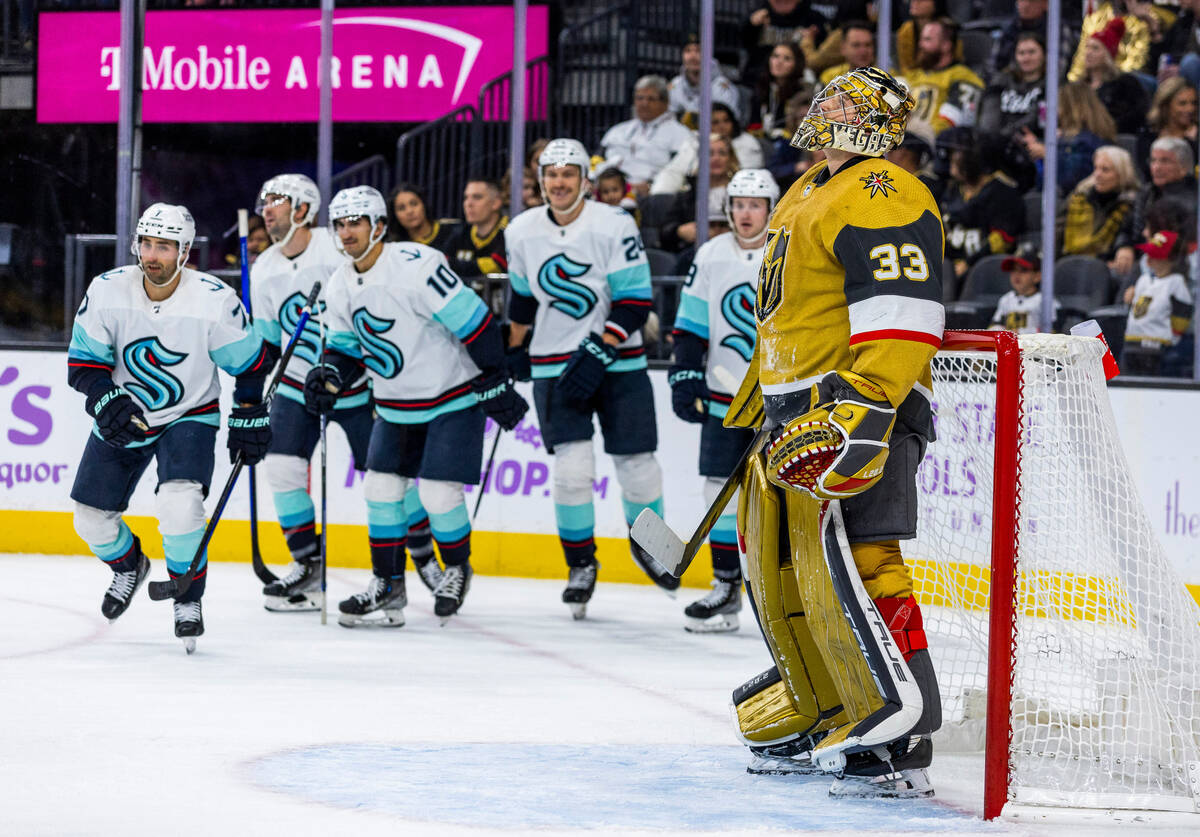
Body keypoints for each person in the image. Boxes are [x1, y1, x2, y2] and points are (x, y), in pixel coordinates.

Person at [726, 67, 944, 796]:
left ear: (879, 119)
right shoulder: (808, 188)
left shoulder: (884, 189)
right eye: (830, 97)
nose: (829, 109)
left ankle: (903, 722)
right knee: (794, 572)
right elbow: (787, 314)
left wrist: (869, 404)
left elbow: (905, 307)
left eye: (848, 100)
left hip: (854, 409)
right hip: (798, 414)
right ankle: (834, 702)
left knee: (866, 557)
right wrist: (763, 401)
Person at [317, 186, 527, 626]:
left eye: (356, 222)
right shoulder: (339, 283)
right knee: (380, 490)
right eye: (340, 224)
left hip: (450, 396)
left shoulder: (416, 265)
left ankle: (455, 568)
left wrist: (493, 380)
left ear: (378, 225)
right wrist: (330, 377)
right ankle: (388, 585)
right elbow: (345, 351)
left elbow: (477, 322)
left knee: (436, 493)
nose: (346, 232)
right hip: (394, 406)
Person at [67, 203, 274, 649]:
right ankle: (129, 565)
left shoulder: (213, 300)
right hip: (125, 412)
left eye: (165, 245)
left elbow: (252, 363)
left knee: (180, 506)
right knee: (89, 521)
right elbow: (84, 365)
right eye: (146, 244)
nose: (153, 255)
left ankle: (186, 593)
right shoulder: (107, 291)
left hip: (190, 414)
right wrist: (107, 399)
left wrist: (250, 411)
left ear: (184, 253)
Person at [249, 175, 445, 612]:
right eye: (265, 202)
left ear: (302, 209)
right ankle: (308, 565)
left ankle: (422, 556)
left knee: (390, 482)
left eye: (277, 201)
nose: (267, 209)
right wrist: (248, 390)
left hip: (359, 381)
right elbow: (266, 344)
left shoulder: (336, 244)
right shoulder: (263, 268)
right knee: (281, 467)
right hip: (299, 385)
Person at [505, 138, 672, 619]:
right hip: (554, 364)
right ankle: (581, 565)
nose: (559, 182)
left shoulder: (614, 224)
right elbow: (520, 301)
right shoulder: (520, 231)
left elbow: (637, 301)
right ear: (541, 182)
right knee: (573, 473)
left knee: (638, 464)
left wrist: (601, 347)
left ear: (585, 181)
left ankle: (652, 546)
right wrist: (513, 350)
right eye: (550, 174)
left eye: (568, 174)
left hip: (619, 362)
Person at [668, 169, 777, 633]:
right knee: (717, 491)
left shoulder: (787, 251)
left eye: (754, 204)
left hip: (777, 398)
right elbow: (691, 323)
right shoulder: (711, 254)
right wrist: (684, 372)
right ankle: (727, 587)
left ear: (771, 208)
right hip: (724, 397)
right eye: (738, 203)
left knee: (782, 496)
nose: (745, 213)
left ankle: (778, 599)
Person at [939, 128, 1024, 280]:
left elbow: (1002, 240)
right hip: (950, 267)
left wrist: (969, 263)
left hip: (987, 272)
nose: (952, 158)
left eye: (958, 153)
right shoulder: (952, 190)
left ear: (976, 158)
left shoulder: (1003, 192)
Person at [1112, 136, 1197, 278]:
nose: (1156, 167)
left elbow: (1180, 244)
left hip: (1170, 266)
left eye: (1165, 161)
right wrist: (1124, 247)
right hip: (1142, 258)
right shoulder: (1147, 192)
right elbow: (1127, 228)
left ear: (1184, 167)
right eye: (1153, 160)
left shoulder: (1192, 198)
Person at [600, 76, 693, 198]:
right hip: (610, 193)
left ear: (665, 103)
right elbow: (598, 160)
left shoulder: (680, 134)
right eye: (640, 98)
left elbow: (680, 172)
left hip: (652, 195)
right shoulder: (618, 131)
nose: (644, 103)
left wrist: (650, 186)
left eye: (651, 99)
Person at [1018, 82, 1117, 194]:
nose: (1056, 111)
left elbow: (1074, 180)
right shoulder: (1066, 138)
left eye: (1059, 105)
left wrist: (1048, 154)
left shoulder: (1089, 141)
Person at [1121, 229, 1195, 375]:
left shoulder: (1176, 283)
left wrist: (1171, 341)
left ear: (1171, 260)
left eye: (1155, 255)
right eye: (1150, 253)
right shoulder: (1143, 280)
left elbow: (1182, 316)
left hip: (1157, 349)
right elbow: (1138, 310)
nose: (1150, 258)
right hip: (1132, 343)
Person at [654, 134, 740, 252]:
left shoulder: (743, 191)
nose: (716, 158)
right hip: (695, 251)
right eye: (710, 154)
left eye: (722, 153)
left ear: (731, 159)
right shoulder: (688, 195)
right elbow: (664, 231)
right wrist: (679, 231)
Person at [650, 105, 763, 195]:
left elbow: (746, 178)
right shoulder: (694, 142)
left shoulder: (747, 143)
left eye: (726, 121)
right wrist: (660, 195)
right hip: (694, 196)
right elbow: (674, 171)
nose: (722, 126)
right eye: (715, 122)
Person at [902, 17, 985, 134]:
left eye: (927, 39)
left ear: (946, 45)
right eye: (921, 39)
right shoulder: (914, 75)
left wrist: (920, 137)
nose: (920, 45)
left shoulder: (964, 77)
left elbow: (953, 121)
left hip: (934, 142)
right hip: (904, 140)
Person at [1061, 145, 1140, 259]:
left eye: (1105, 170)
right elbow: (1057, 235)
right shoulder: (1078, 196)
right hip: (1070, 262)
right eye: (1096, 168)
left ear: (1122, 174)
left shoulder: (1131, 204)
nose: (1097, 175)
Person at [1078, 17, 1151, 135]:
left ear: (1108, 54)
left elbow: (1139, 113)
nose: (1088, 53)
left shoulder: (1125, 83)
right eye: (1087, 47)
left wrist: (1110, 127)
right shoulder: (1079, 86)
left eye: (1095, 48)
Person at [740, 0, 825, 86]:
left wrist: (810, 39)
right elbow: (744, 43)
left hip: (796, 80)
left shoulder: (813, 19)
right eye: (778, 1)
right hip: (757, 78)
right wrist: (751, 25)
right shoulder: (758, 13)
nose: (782, 3)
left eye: (787, 2)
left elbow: (820, 57)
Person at [979, 33, 1046, 140]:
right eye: (1021, 53)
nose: (1026, 58)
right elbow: (988, 120)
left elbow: (1042, 122)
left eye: (1032, 52)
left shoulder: (1050, 87)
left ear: (1044, 54)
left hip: (1031, 144)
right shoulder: (1000, 81)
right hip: (996, 143)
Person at [668, 33, 744, 127]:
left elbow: (727, 123)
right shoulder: (676, 85)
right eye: (687, 51)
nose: (693, 56)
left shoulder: (721, 87)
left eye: (699, 51)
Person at [446, 178, 508, 279]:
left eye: (477, 197)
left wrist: (456, 265)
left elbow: (499, 263)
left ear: (496, 203)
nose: (468, 204)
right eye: (466, 197)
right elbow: (442, 261)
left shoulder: (508, 230)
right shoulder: (461, 233)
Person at [990, 245, 1059, 334]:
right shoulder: (1006, 299)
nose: (1017, 275)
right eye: (1013, 270)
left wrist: (1021, 332)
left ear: (1037, 276)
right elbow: (994, 326)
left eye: (1023, 270)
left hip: (1035, 347)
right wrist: (999, 330)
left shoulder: (1047, 301)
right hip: (1008, 346)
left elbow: (1053, 331)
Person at [1138, 77, 1199, 174]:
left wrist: (1191, 143)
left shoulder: (1197, 136)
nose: (1190, 109)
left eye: (1194, 103)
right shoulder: (1149, 134)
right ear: (1166, 106)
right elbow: (1146, 171)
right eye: (1182, 103)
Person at [751, 42, 811, 139]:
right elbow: (753, 123)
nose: (779, 62)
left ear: (797, 64)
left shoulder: (802, 94)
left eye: (787, 58)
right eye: (775, 56)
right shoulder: (761, 87)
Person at [386, 182, 459, 251]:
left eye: (414, 204)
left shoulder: (452, 233)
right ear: (394, 214)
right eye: (401, 208)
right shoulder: (395, 248)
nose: (409, 211)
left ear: (424, 204)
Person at [818, 21, 876, 86]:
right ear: (843, 48)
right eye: (856, 45)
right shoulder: (830, 78)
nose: (863, 51)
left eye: (867, 45)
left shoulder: (887, 76)